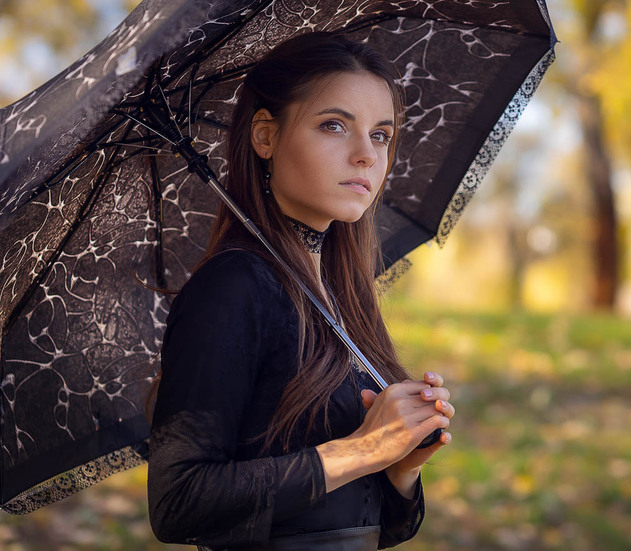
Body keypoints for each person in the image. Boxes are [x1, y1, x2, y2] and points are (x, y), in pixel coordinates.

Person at [146, 32, 454, 550]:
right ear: (265, 136)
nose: (365, 156)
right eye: (334, 126)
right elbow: (178, 502)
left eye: (381, 135)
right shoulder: (233, 288)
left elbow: (371, 528)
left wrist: (398, 468)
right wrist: (363, 450)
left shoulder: (339, 293)